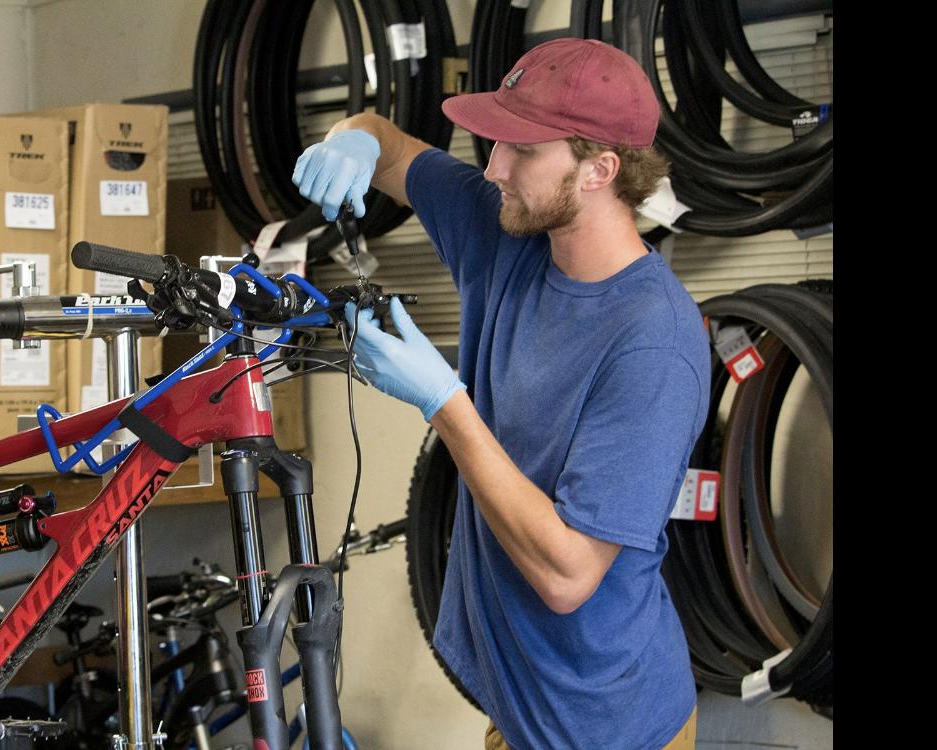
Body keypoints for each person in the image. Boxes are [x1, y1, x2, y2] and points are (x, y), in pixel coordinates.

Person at [292, 38, 708, 749]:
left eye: (523, 150)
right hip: (518, 713)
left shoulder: (654, 344)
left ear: (600, 170)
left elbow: (569, 574)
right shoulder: (506, 233)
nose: (494, 167)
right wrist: (348, 140)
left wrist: (443, 403)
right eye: (495, 143)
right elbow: (387, 146)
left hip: (607, 727)